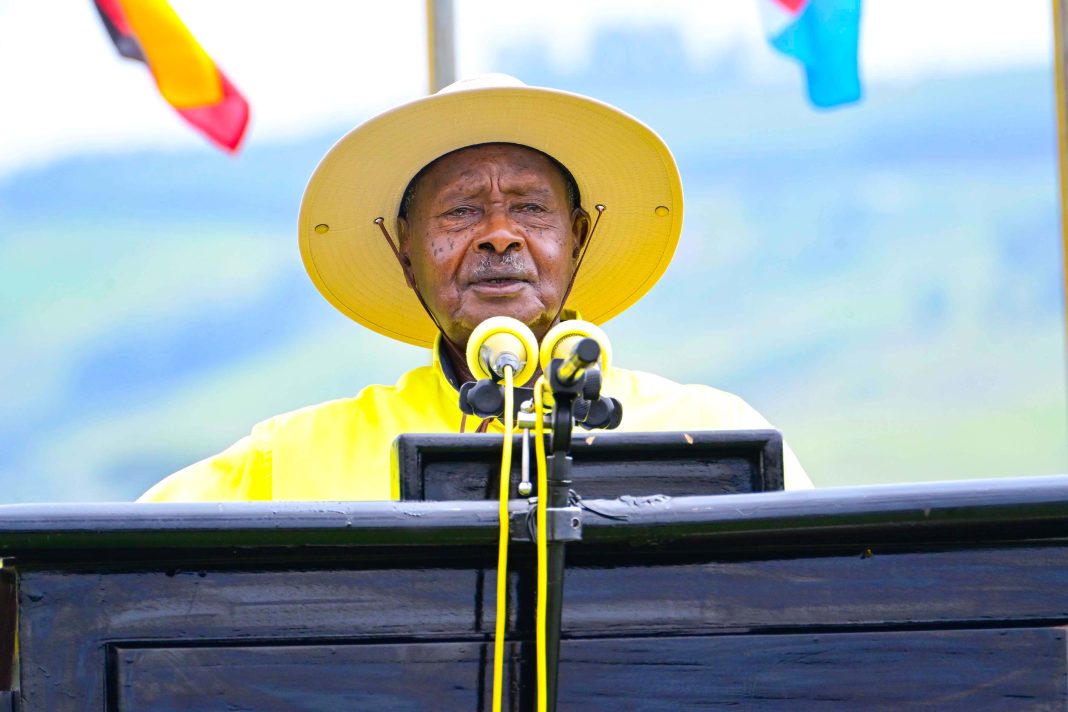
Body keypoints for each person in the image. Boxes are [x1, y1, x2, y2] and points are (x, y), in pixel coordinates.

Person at [140, 75, 812, 502]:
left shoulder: (717, 433)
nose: (498, 235)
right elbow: (90, 573)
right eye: (461, 211)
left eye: (528, 208)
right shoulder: (285, 463)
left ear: (578, 238)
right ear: (404, 252)